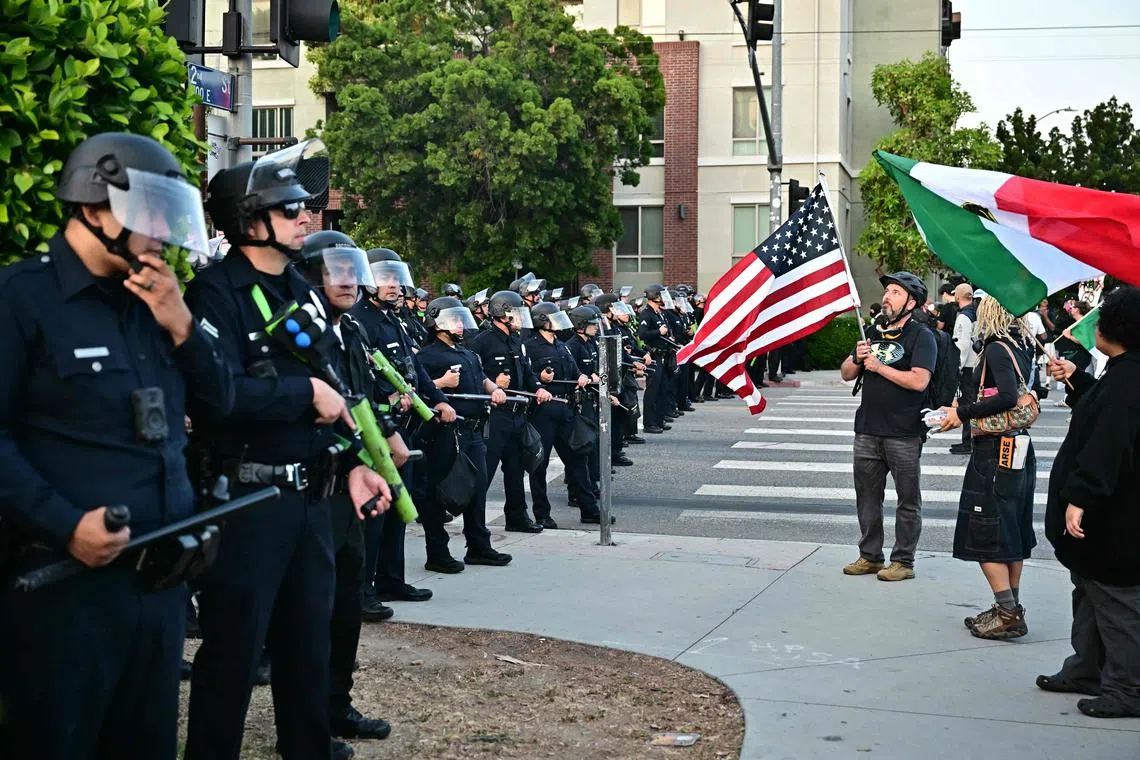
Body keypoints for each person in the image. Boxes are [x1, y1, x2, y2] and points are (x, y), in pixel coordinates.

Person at [0, 132, 234, 760]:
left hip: (158, 589)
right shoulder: (22, 300)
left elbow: (222, 407)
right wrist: (65, 524)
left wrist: (183, 326)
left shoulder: (153, 300)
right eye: (148, 212)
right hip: (64, 590)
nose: (160, 230)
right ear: (94, 206)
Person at [183, 139, 391, 760]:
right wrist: (301, 394)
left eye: (307, 207)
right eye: (291, 208)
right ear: (250, 222)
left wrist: (355, 463)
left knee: (309, 643)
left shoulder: (303, 292)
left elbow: (336, 388)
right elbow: (218, 397)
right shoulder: (212, 294)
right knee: (235, 650)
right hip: (247, 499)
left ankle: (309, 747)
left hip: (312, 498)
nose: (308, 217)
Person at [296, 231, 410, 747]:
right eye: (333, 269)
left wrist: (387, 436)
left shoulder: (353, 334)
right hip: (311, 487)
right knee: (308, 612)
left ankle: (336, 706)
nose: (347, 279)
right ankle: (305, 722)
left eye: (351, 268)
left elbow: (362, 395)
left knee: (346, 606)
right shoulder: (299, 332)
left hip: (353, 488)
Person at [1037, 286, 1140, 719]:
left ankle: (1127, 688)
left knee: (1116, 600)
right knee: (1090, 590)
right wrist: (1077, 379)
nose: (1094, 324)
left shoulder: (1129, 380)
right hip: (1106, 517)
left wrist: (1079, 497)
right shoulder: (1123, 374)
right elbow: (1102, 409)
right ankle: (1087, 668)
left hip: (1113, 518)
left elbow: (1108, 445)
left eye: (1101, 318)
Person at [351, 248, 447, 614]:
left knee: (395, 512)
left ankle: (392, 579)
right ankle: (363, 591)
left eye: (395, 277)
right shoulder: (359, 320)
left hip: (404, 429)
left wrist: (437, 398)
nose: (392, 285)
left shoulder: (394, 319)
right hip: (375, 429)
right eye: (384, 277)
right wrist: (386, 395)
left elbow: (415, 368)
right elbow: (358, 373)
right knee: (374, 513)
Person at [936, 297, 1038, 639]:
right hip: (1017, 447)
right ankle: (1010, 606)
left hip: (995, 451)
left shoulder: (996, 348)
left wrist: (962, 414)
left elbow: (1007, 396)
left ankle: (1007, 611)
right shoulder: (1020, 344)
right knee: (1010, 530)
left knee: (986, 530)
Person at [839, 272, 937, 582]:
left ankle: (903, 561)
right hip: (868, 428)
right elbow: (846, 373)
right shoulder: (871, 331)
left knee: (908, 499)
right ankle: (870, 556)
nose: (887, 297)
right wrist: (857, 357)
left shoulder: (922, 336)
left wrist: (879, 367)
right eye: (887, 292)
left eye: (895, 292)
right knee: (867, 496)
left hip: (904, 432)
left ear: (911, 302)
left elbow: (920, 380)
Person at [416, 297, 514, 564]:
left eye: (461, 319)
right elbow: (416, 389)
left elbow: (482, 379)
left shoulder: (468, 353)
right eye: (453, 319)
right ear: (436, 323)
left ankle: (478, 546)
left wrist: (495, 390)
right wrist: (442, 383)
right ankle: (437, 552)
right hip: (445, 433)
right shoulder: (427, 356)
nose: (459, 325)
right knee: (439, 492)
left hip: (473, 432)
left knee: (477, 486)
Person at [469, 290, 553, 531]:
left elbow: (526, 372)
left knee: (516, 470)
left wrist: (537, 387)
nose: (520, 318)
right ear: (501, 314)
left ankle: (517, 517)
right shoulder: (482, 341)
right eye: (515, 314)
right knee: (484, 471)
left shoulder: (517, 341)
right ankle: (474, 525)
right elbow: (473, 373)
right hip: (494, 415)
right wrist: (493, 383)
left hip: (517, 413)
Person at [638, 285, 677, 434]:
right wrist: (658, 332)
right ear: (654, 296)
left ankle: (659, 420)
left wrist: (669, 337)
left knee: (662, 389)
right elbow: (642, 334)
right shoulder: (646, 314)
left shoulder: (659, 313)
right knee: (652, 391)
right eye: (661, 295)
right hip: (654, 356)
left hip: (664, 355)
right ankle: (649, 423)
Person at [949, 283, 980, 455]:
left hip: (968, 365)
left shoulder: (963, 317)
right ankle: (970, 440)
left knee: (968, 403)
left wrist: (957, 366)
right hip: (977, 364)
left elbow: (962, 345)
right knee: (973, 402)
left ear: (959, 296)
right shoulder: (977, 313)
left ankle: (968, 442)